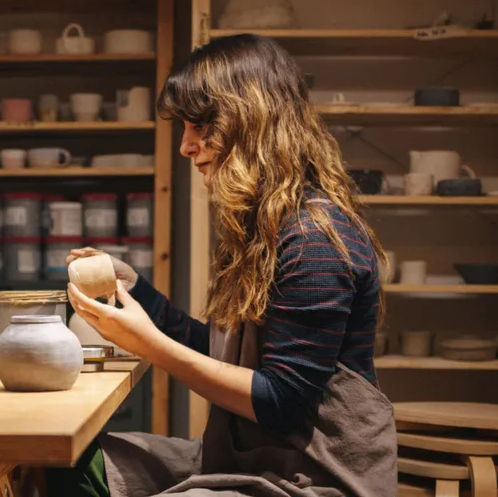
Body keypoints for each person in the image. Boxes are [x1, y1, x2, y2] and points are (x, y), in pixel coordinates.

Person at [59, 34, 398, 497]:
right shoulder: (263, 229)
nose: (185, 146)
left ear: (248, 120)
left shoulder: (314, 238)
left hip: (315, 479)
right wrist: (136, 291)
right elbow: (226, 360)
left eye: (198, 125)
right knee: (70, 461)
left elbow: (282, 402)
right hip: (249, 459)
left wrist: (151, 345)